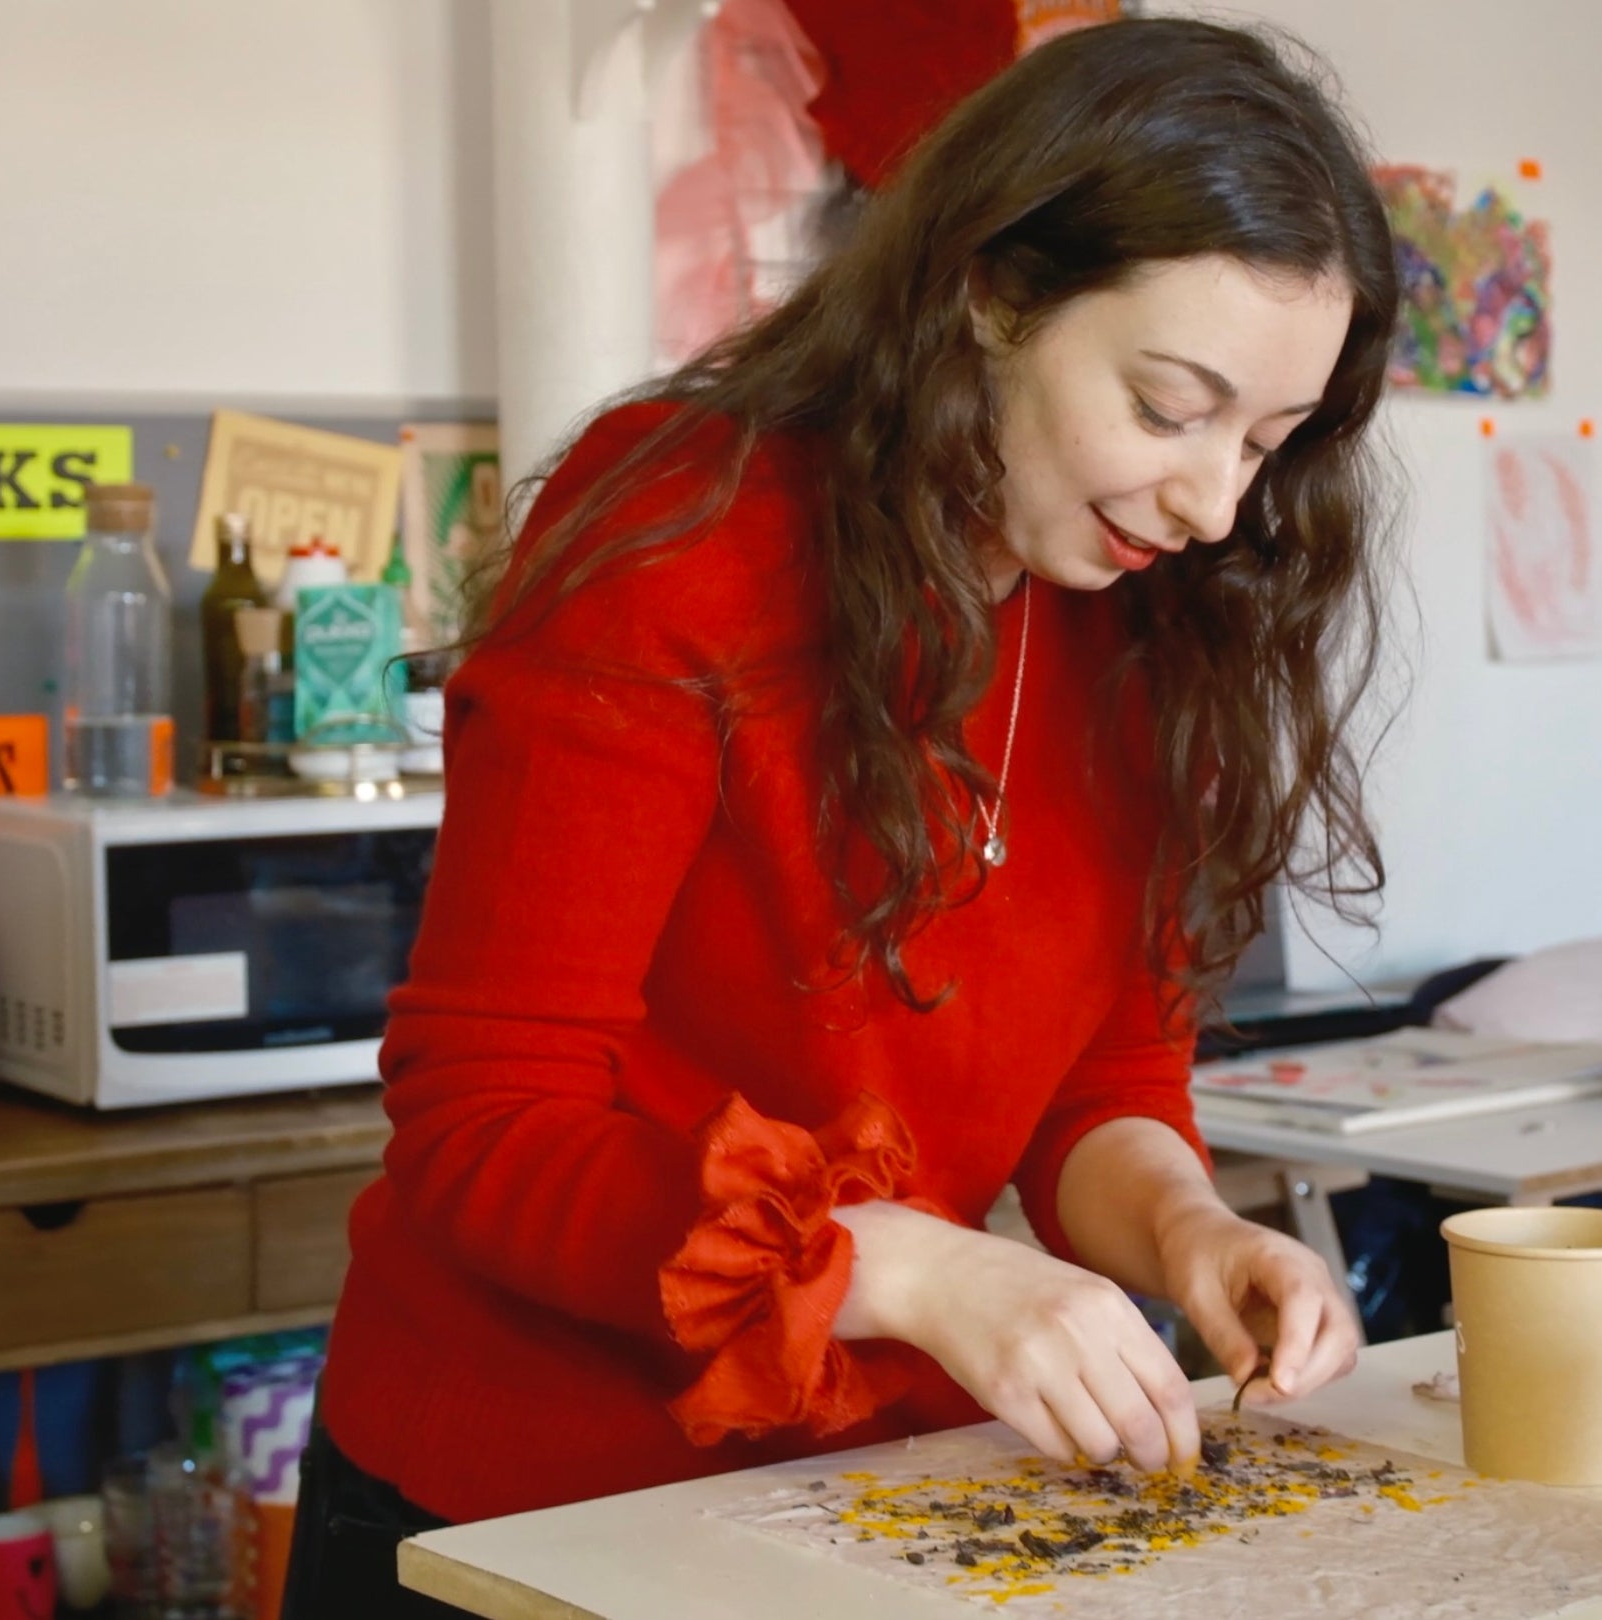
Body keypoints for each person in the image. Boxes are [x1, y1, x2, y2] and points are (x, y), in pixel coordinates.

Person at [287, 18, 1400, 1615]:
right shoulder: (682, 533)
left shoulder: (1161, 620)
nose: (1215, 502)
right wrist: (919, 1266)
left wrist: (1186, 1230)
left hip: (875, 1503)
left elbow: (1106, 1080)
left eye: (1266, 443)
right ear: (991, 289)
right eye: (1169, 408)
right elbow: (485, 1120)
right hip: (522, 1513)